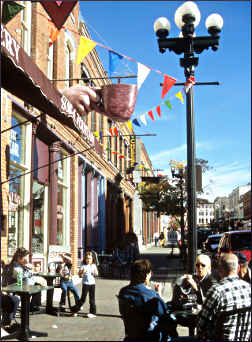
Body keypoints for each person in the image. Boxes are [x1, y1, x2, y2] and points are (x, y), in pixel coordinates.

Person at [118, 259, 178, 341]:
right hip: (149, 336)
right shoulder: (150, 295)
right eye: (150, 273)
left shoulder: (123, 292)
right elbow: (165, 313)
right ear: (146, 275)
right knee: (171, 322)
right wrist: (158, 293)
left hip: (131, 336)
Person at [197, 253, 251, 341]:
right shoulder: (249, 288)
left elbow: (201, 325)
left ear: (220, 270)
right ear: (237, 269)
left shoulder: (216, 291)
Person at [2, 247, 41, 313]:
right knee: (33, 287)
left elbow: (25, 275)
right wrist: (31, 271)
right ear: (19, 258)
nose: (27, 259)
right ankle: (27, 308)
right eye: (25, 257)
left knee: (38, 286)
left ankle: (31, 307)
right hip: (14, 287)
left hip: (19, 285)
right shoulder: (15, 266)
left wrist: (29, 268)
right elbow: (21, 276)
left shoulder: (20, 264)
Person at [1, 260, 20, 333]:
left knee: (14, 299)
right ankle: (7, 322)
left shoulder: (4, 274)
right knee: (13, 300)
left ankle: (8, 320)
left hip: (4, 293)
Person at [78, 251, 99, 318]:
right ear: (85, 259)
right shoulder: (83, 266)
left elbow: (96, 274)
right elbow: (79, 275)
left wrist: (96, 273)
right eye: (87, 258)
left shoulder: (94, 265)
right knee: (83, 299)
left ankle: (93, 312)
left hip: (92, 284)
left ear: (92, 259)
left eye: (90, 258)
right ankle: (75, 310)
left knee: (92, 299)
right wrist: (82, 272)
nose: (88, 260)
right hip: (86, 284)